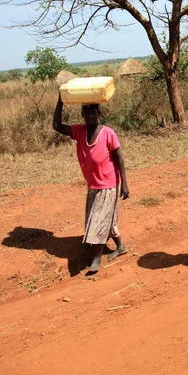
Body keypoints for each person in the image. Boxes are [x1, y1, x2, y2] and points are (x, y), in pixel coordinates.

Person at [53, 95, 129, 273]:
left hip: (108, 184)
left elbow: (119, 159)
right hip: (93, 185)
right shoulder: (79, 131)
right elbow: (57, 126)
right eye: (86, 112)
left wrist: (125, 183)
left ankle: (96, 258)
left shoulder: (108, 133)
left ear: (99, 113)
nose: (90, 116)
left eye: (93, 112)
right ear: (82, 114)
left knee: (97, 221)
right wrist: (60, 102)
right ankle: (121, 246)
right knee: (106, 219)